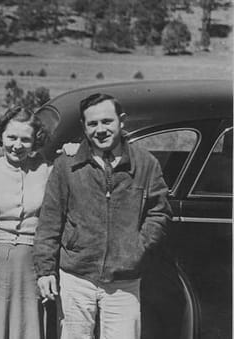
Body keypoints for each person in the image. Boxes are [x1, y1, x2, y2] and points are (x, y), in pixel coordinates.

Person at [34, 93, 172, 339]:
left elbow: (159, 212)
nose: (100, 129)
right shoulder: (67, 165)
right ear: (84, 128)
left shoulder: (145, 164)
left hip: (124, 280)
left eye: (107, 121)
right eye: (92, 124)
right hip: (76, 276)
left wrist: (136, 249)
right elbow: (50, 221)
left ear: (121, 121)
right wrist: (45, 270)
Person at [0, 106, 57, 339]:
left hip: (31, 263)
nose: (17, 145)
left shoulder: (47, 169)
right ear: (1, 136)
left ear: (35, 141)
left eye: (25, 139)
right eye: (11, 137)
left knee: (27, 326)